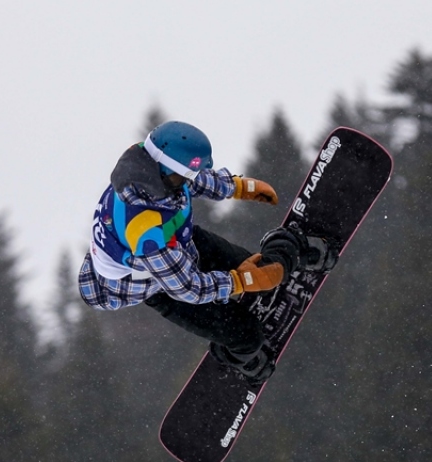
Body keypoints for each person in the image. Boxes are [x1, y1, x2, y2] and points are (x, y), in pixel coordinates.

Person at [78, 120, 334, 385]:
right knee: (247, 336)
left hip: (181, 243)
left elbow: (194, 180)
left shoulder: (155, 172)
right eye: (182, 177)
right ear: (166, 172)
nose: (187, 181)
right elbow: (187, 288)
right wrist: (239, 281)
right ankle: (240, 356)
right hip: (161, 284)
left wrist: (239, 187)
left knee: (259, 270)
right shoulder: (146, 231)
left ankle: (289, 251)